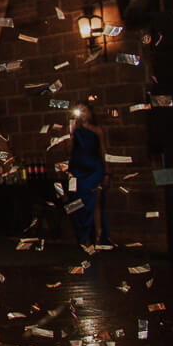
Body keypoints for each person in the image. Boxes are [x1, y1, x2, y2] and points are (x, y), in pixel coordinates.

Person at [68, 104, 109, 246]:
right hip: (79, 170)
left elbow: (103, 151)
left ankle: (98, 235)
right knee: (78, 204)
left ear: (89, 113)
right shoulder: (76, 130)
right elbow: (69, 150)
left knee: (96, 202)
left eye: (84, 110)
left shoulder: (97, 130)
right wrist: (71, 133)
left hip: (94, 169)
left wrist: (106, 172)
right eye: (79, 111)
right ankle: (83, 237)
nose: (82, 114)